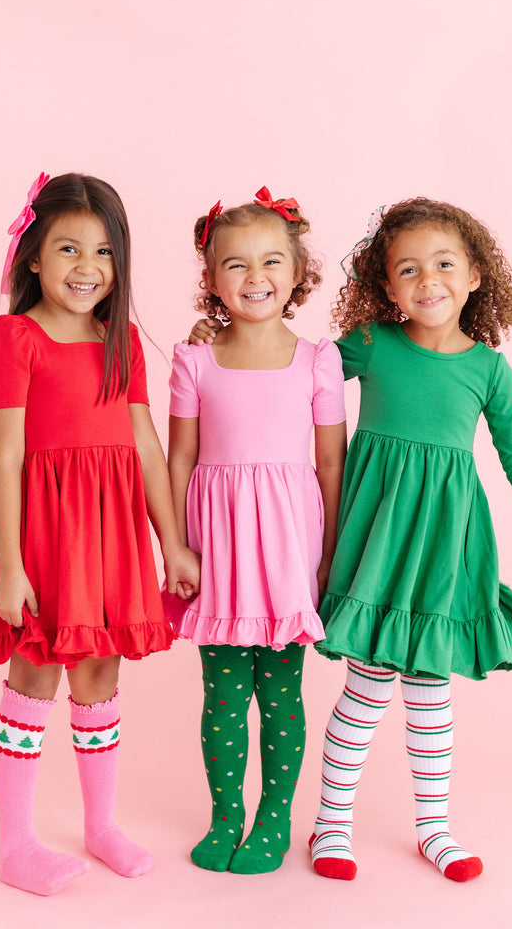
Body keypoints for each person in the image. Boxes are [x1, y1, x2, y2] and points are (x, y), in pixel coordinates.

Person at [189, 196, 512, 884]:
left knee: (430, 692)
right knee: (365, 691)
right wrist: (219, 346)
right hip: (379, 542)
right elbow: (284, 364)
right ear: (385, 286)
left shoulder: (488, 369)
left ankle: (435, 828)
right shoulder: (371, 345)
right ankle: (330, 826)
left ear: (478, 274)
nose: (429, 280)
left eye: (445, 264)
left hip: (443, 546)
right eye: (408, 269)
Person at [0, 172, 199, 896]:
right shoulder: (13, 338)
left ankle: (100, 826)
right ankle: (17, 844)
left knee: (99, 674)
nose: (86, 267)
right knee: (34, 672)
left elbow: (148, 449)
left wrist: (172, 543)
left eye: (102, 251)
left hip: (111, 535)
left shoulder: (117, 338)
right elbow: (5, 456)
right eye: (67, 248)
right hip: (43, 535)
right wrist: (10, 568)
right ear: (33, 255)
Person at [165, 188, 347, 875]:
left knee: (280, 692)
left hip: (286, 550)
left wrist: (328, 558)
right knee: (222, 694)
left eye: (272, 261)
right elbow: (180, 456)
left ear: (298, 270)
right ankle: (226, 816)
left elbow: (331, 462)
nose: (255, 278)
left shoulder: (317, 361)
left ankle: (274, 820)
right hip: (217, 549)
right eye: (234, 265)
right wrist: (176, 546)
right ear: (210, 279)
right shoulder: (194, 361)